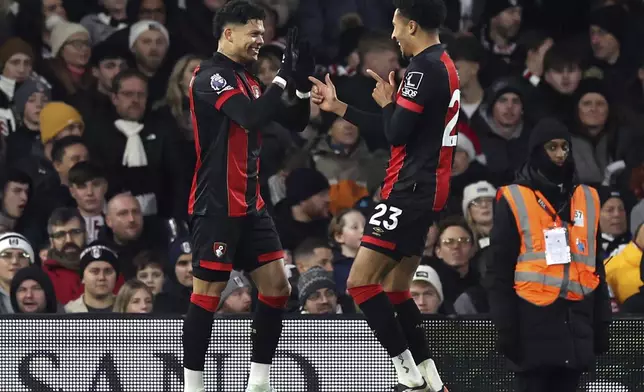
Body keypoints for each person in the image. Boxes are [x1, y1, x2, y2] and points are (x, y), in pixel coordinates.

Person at [309, 0, 457, 390]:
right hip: (428, 190)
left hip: (406, 189)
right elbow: (399, 127)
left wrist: (390, 103)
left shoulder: (423, 69)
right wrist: (341, 106)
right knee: (394, 289)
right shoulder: (444, 63)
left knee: (360, 285)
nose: (392, 34)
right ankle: (430, 376)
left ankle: (406, 374)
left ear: (411, 26)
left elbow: (394, 133)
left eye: (395, 26)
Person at [486, 118, 612, 392]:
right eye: (552, 147)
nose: (559, 155)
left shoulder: (588, 198)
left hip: (577, 327)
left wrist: (601, 326)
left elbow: (596, 268)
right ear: (536, 152)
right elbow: (498, 270)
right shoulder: (514, 198)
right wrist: (506, 328)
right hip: (531, 329)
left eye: (564, 147)